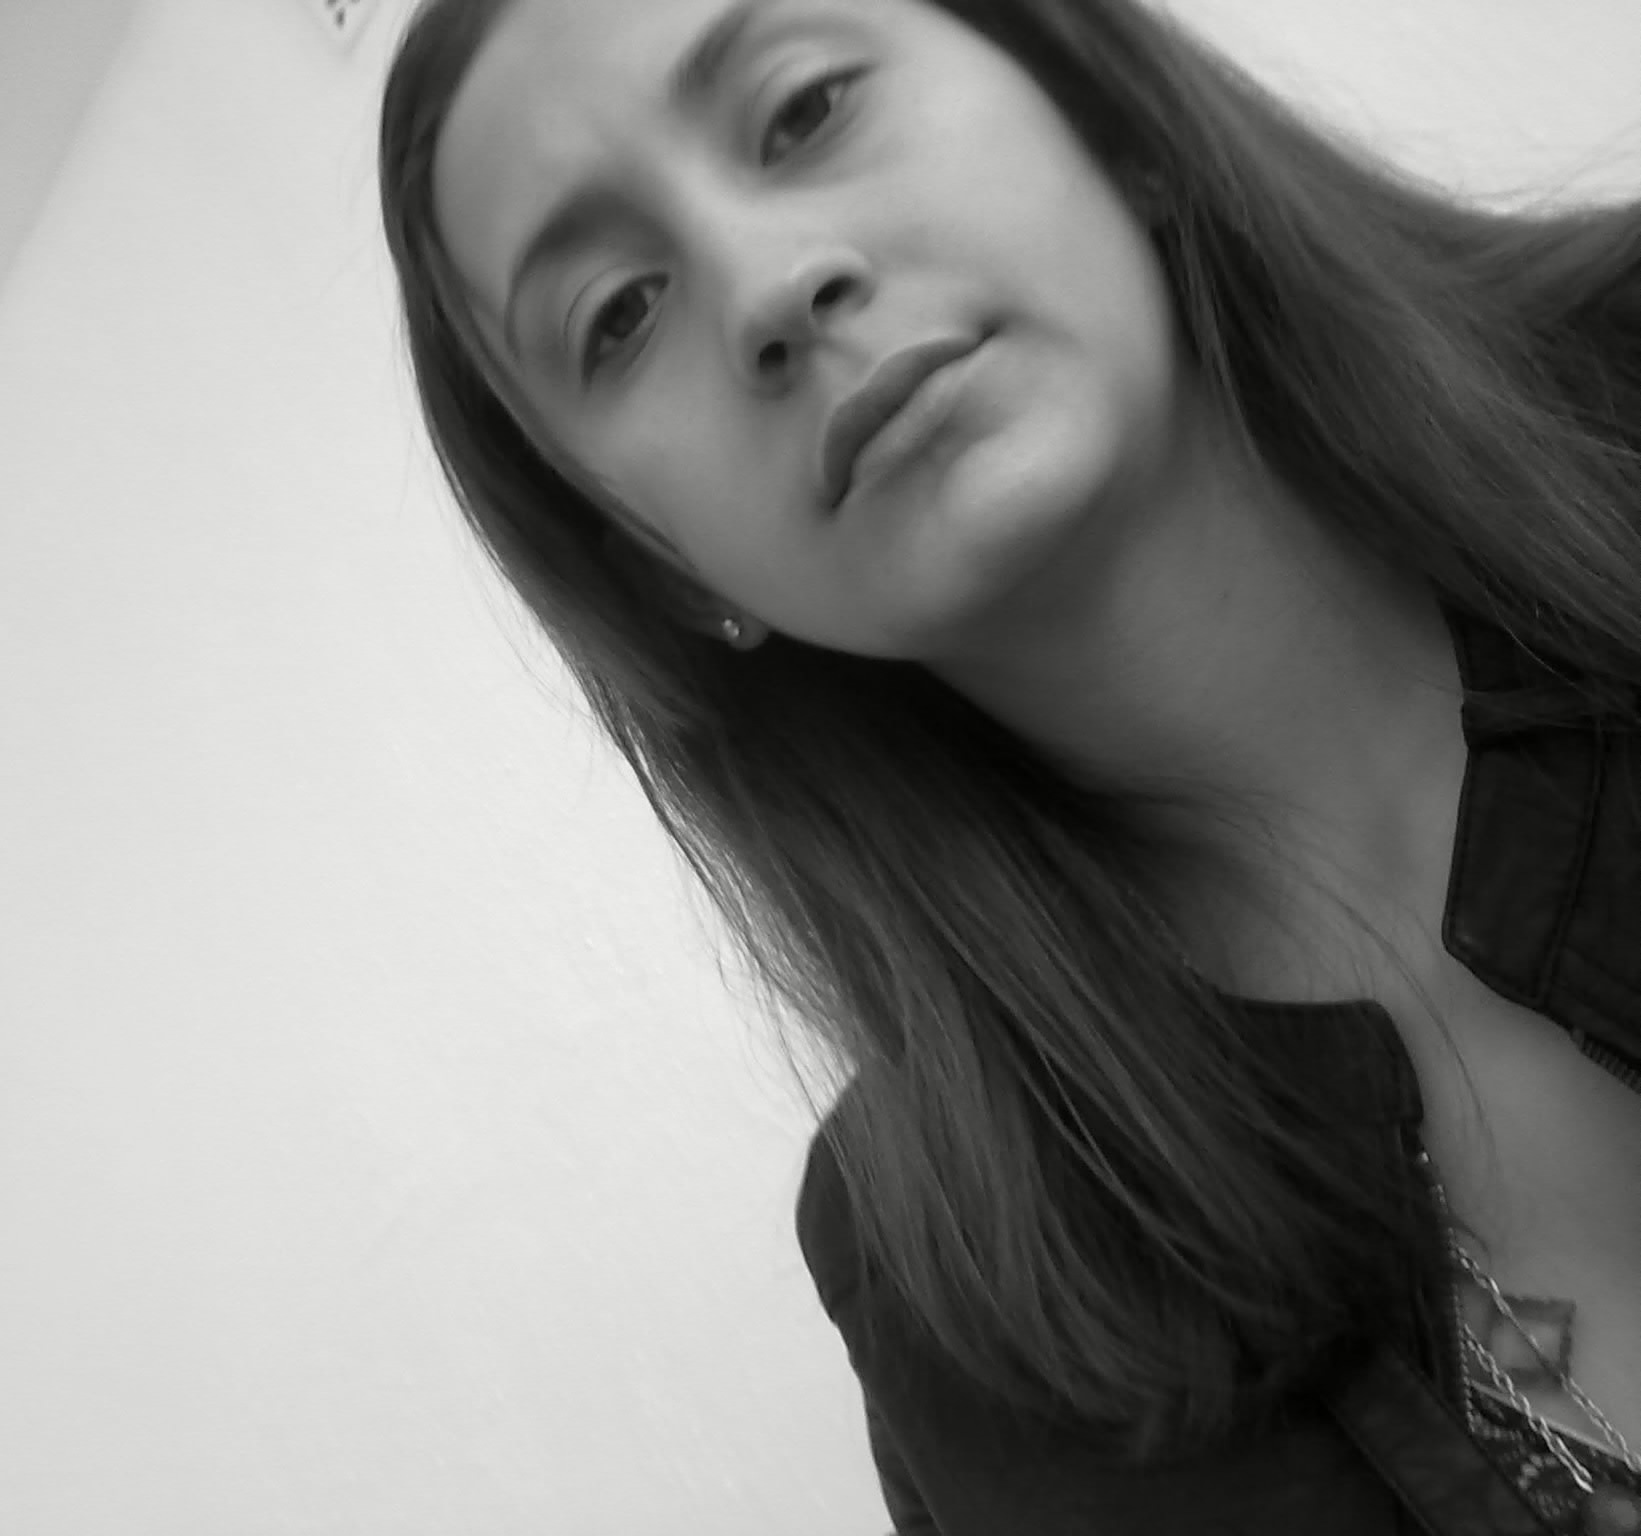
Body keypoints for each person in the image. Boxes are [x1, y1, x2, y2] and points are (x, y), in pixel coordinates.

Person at [377, 0, 1641, 1529]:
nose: (768, 287)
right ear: (661, 565)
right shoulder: (946, 1281)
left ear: (1106, 120)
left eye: (802, 109)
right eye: (617, 315)